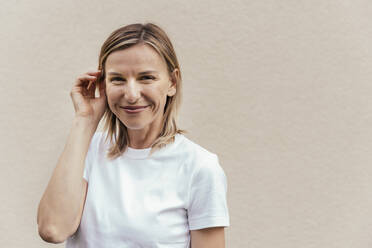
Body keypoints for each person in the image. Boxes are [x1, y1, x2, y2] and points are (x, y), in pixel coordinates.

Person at [37, 22, 230, 248]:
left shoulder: (199, 167)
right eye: (117, 79)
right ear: (103, 84)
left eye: (146, 77)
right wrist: (85, 121)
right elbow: (52, 229)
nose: (131, 94)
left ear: (172, 82)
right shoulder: (86, 150)